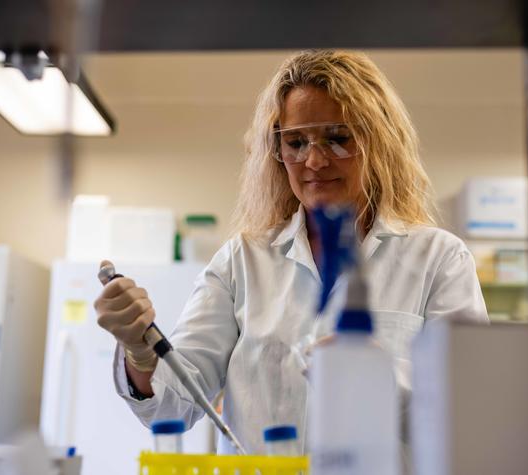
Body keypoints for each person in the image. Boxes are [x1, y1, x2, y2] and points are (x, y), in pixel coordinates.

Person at [94, 50, 488, 454]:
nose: (314, 160)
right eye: (296, 142)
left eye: (337, 139)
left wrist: (375, 377)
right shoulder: (242, 263)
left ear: (378, 141)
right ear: (276, 152)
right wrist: (140, 351)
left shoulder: (439, 260)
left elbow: (469, 417)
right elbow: (171, 407)